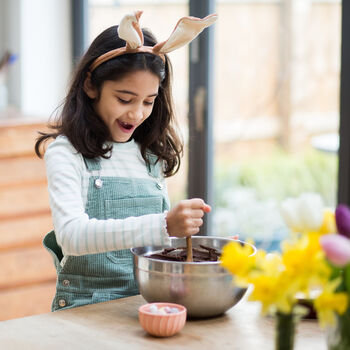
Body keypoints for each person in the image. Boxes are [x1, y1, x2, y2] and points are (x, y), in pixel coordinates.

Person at [35, 11, 217, 311]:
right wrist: (165, 224)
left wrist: (197, 252)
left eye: (148, 101)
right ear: (91, 86)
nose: (137, 114)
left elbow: (153, 243)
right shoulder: (66, 153)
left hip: (145, 307)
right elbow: (72, 237)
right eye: (124, 99)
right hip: (86, 309)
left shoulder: (150, 155)